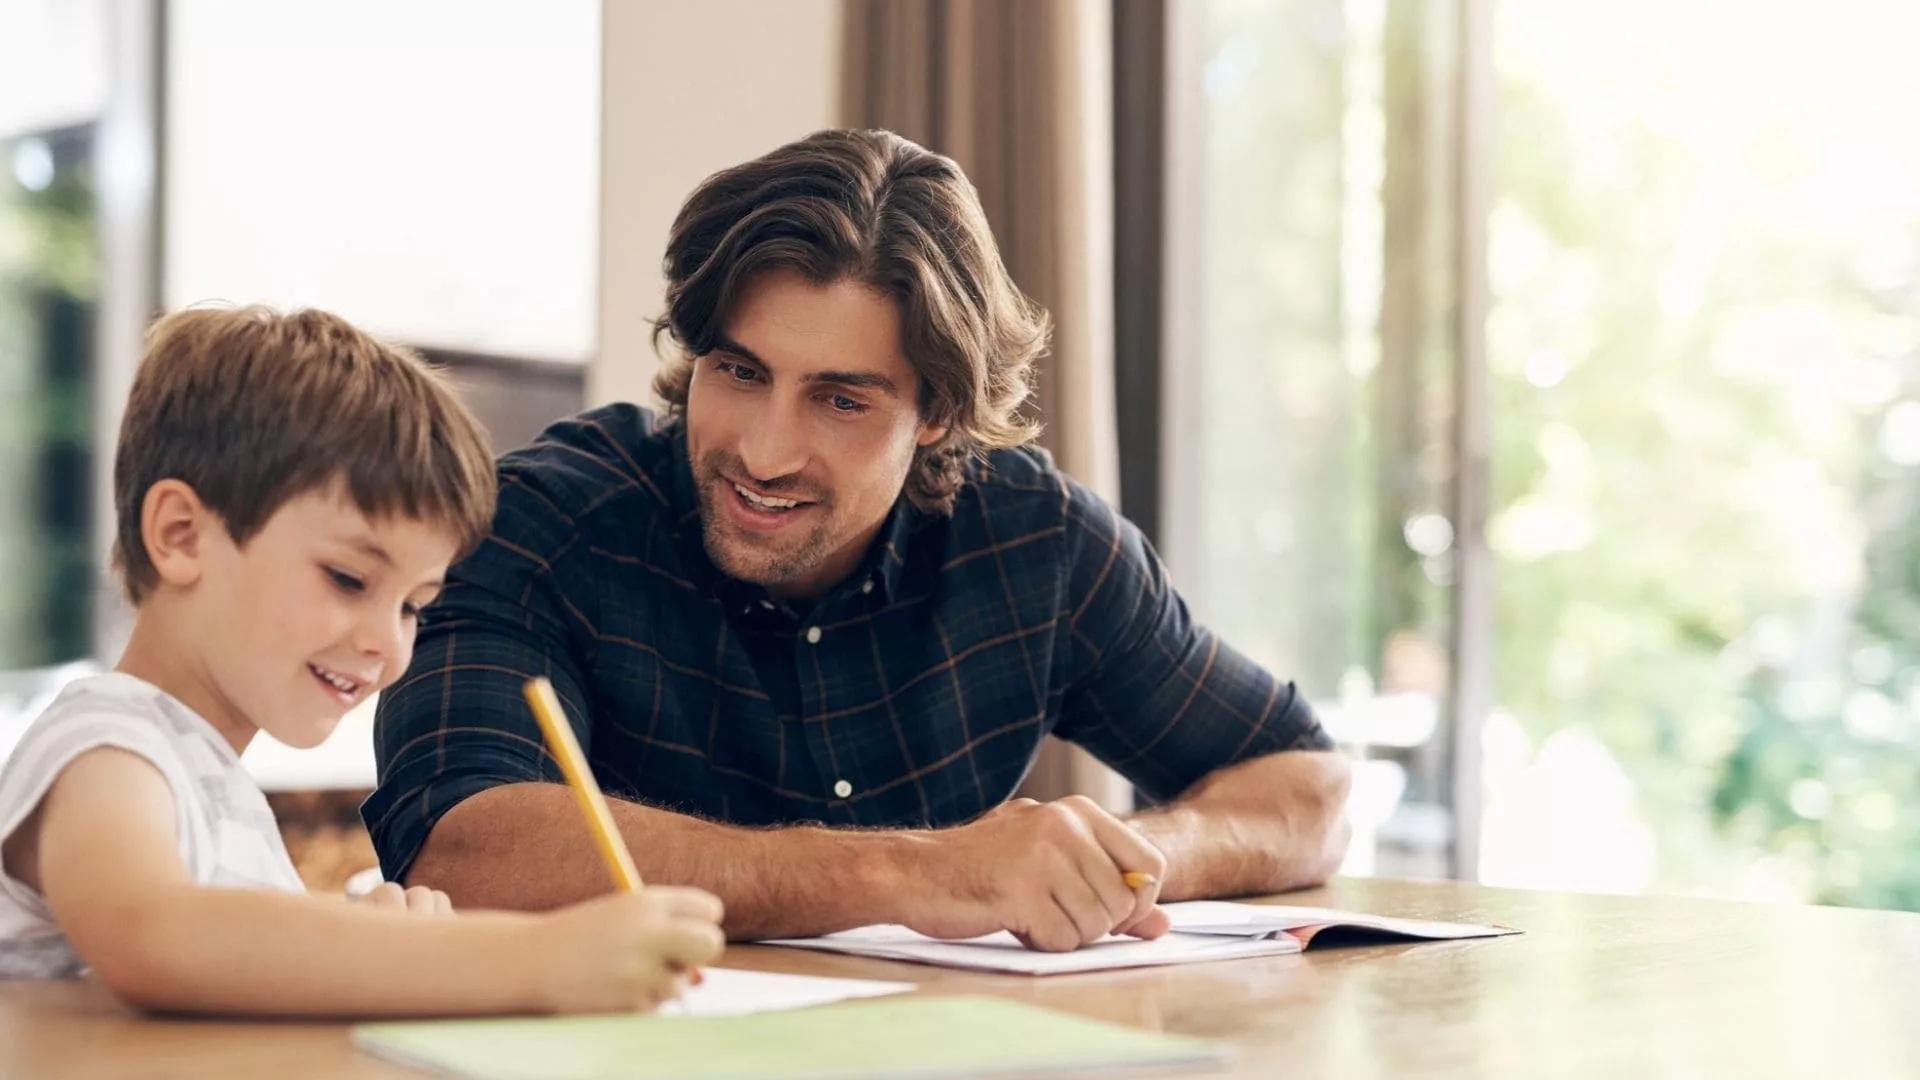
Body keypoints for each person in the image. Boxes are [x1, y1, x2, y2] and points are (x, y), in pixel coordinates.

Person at [368, 129, 1352, 953]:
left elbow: (1308, 788)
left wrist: (1124, 860)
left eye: (840, 399)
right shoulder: (540, 526)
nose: (763, 451)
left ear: (937, 413)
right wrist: (911, 871)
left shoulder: (1036, 541)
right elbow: (464, 848)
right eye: (739, 371)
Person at [0, 307, 723, 1015]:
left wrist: (373, 940)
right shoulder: (105, 747)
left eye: (414, 605)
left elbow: (238, 961)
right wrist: (536, 957)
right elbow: (155, 936)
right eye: (349, 579)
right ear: (182, 535)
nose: (391, 642)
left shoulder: (201, 774)